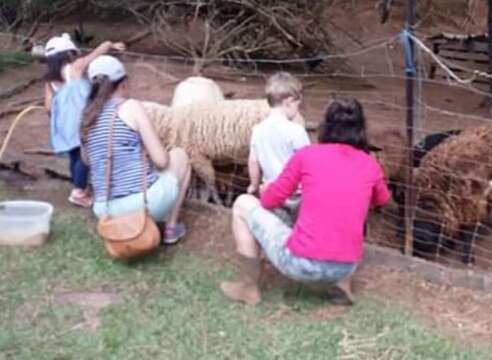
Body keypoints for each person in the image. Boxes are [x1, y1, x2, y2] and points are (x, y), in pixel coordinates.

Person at [220, 98, 391, 306]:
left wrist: (265, 190)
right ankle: (341, 287)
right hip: (346, 265)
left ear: (325, 127)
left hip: (301, 263)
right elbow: (382, 199)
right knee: (344, 216)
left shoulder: (308, 155)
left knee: (242, 203)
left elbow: (269, 201)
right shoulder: (369, 164)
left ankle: (248, 287)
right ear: (361, 130)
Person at [81, 55, 191, 245]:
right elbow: (162, 161)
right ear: (123, 83)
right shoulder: (130, 107)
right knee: (180, 156)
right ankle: (170, 228)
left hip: (103, 209)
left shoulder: (86, 116)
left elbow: (87, 161)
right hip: (142, 205)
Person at [43, 33, 125, 208]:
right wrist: (110, 43)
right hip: (80, 120)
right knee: (84, 157)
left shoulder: (50, 82)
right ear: (67, 54)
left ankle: (80, 187)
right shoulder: (75, 68)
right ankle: (79, 192)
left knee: (74, 156)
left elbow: (48, 107)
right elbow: (96, 53)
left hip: (63, 124)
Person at [247, 71, 310, 224]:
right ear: (288, 102)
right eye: (297, 104)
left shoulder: (258, 129)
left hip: (272, 192)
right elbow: (308, 162)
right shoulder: (296, 130)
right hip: (296, 195)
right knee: (297, 231)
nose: (297, 109)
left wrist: (254, 185)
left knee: (278, 229)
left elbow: (253, 161)